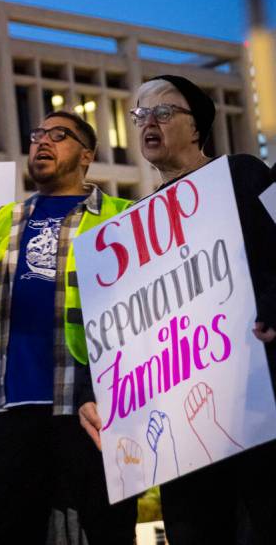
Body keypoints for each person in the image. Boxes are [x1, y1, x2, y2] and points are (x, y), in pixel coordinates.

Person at [78, 74, 276, 545]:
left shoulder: (245, 174)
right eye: (140, 113)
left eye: (164, 112)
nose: (149, 121)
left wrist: (271, 304)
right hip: (181, 435)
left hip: (259, 403)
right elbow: (120, 328)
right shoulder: (130, 230)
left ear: (197, 126)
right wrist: (97, 391)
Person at [0, 111, 138, 544]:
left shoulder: (122, 215)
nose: (43, 141)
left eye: (60, 135)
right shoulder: (2, 219)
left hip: (91, 404)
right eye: (37, 133)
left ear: (87, 155)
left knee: (108, 528)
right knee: (7, 529)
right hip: (9, 405)